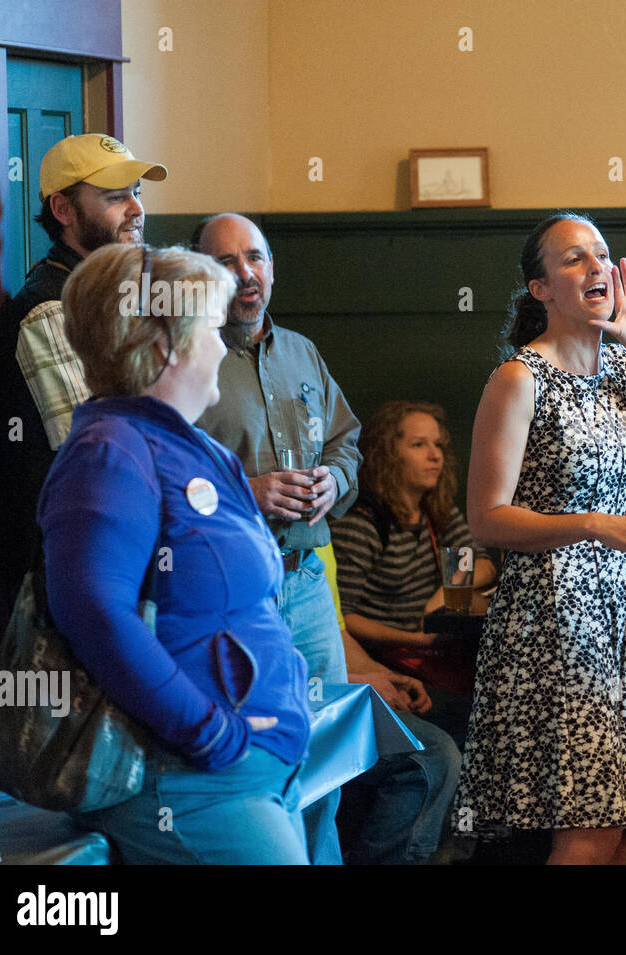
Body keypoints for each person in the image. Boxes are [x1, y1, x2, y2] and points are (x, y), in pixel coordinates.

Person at [192, 213, 458, 865]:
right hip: (233, 590)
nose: (244, 272)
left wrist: (335, 482)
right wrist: (247, 493)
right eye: (225, 261)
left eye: (254, 256)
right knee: (263, 768)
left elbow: (345, 439)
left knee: (324, 767)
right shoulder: (183, 358)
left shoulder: (302, 352)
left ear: (272, 267)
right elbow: (162, 476)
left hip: (309, 583)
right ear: (200, 275)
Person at [39, 243, 313, 863]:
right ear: (164, 348)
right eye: (213, 330)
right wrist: (212, 732)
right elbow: (93, 613)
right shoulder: (112, 449)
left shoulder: (192, 448)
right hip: (187, 783)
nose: (223, 346)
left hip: (247, 774)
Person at [454, 213, 626, 865]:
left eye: (602, 254)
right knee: (588, 827)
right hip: (554, 617)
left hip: (622, 613)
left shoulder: (623, 368)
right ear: (540, 288)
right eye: (573, 259)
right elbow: (486, 518)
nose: (595, 267)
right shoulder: (519, 379)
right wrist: (596, 524)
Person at [0, 134, 166, 660]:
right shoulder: (49, 311)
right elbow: (105, 461)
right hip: (69, 597)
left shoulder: (110, 295)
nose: (135, 209)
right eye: (114, 197)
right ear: (62, 209)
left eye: (135, 192)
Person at [332, 400, 496, 747]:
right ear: (388, 455)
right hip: (389, 661)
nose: (435, 455)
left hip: (434, 654)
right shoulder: (364, 524)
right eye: (419, 445)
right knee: (481, 715)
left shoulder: (436, 512)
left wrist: (439, 599)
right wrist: (416, 638)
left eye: (438, 445)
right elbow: (343, 618)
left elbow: (482, 565)